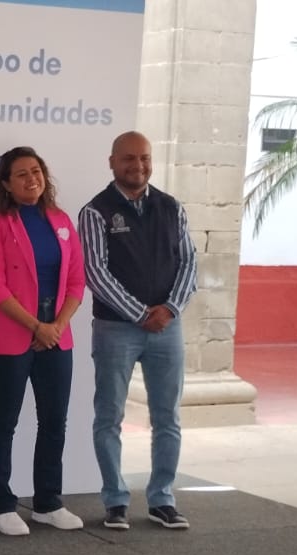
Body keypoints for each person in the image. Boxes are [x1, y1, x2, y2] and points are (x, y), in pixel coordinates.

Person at [77, 130, 196, 532]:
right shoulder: (95, 212)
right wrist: (140, 313)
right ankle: (115, 500)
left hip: (167, 328)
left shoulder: (172, 207)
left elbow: (189, 264)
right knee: (109, 417)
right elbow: (96, 274)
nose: (138, 166)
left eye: (144, 158)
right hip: (116, 329)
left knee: (168, 418)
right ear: (112, 162)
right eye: (128, 158)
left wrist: (170, 309)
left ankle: (162, 499)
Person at [0, 146, 87, 536]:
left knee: (54, 421)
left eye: (36, 171)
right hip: (10, 337)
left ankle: (48, 503)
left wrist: (55, 325)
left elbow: (76, 282)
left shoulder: (60, 219)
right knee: (4, 421)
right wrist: (36, 326)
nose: (31, 179)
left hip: (57, 335)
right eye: (21, 174)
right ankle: (1, 505)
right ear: (6, 183)